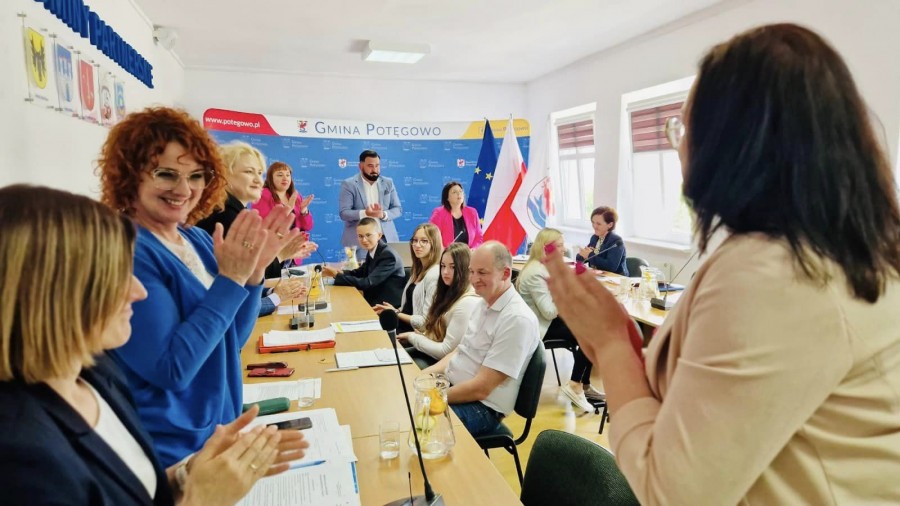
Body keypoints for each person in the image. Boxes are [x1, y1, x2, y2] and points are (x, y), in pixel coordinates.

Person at [543, 24, 900, 504]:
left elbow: (673, 491)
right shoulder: (841, 249)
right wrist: (627, 347)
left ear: (730, 144)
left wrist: (611, 345)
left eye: (683, 128)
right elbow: (714, 403)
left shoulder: (776, 273)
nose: (678, 145)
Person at [0, 185, 308, 505]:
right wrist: (200, 500)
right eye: (113, 276)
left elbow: (136, 490)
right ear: (47, 294)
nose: (139, 292)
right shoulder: (19, 455)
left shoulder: (96, 376)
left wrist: (189, 474)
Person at [97, 106, 301, 466]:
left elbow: (230, 341)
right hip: (172, 453)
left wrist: (254, 275)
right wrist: (232, 279)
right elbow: (171, 369)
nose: (183, 189)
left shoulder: (197, 239)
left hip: (218, 436)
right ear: (130, 174)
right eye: (166, 174)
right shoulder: (128, 250)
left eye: (196, 176)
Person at [422, 241, 540, 437]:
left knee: (418, 424)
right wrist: (422, 376)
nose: (474, 279)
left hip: (483, 407)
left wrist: (432, 396)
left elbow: (482, 389)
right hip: (455, 388)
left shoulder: (517, 319)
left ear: (505, 273)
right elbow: (460, 350)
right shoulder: (482, 303)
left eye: (482, 273)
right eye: (471, 271)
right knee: (405, 400)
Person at [195, 141, 315, 316]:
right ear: (223, 174)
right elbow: (244, 279)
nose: (259, 180)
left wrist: (282, 255)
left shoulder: (231, 210)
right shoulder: (224, 215)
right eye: (249, 172)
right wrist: (281, 255)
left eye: (260, 173)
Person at [517, 228, 602, 413]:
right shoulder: (536, 273)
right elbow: (549, 312)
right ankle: (575, 385)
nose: (564, 249)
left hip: (547, 321)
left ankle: (583, 384)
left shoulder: (545, 266)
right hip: (539, 327)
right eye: (560, 245)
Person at [399, 243, 481, 368]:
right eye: (443, 266)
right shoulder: (448, 292)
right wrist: (422, 336)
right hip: (430, 353)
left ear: (466, 269)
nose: (445, 272)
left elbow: (445, 352)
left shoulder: (467, 303)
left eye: (453, 267)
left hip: (445, 365)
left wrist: (413, 337)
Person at [373, 223, 442, 333]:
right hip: (401, 326)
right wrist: (395, 310)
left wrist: (396, 313)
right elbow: (408, 308)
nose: (417, 245)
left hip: (412, 334)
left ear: (434, 244)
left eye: (424, 241)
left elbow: (425, 322)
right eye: (415, 240)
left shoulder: (434, 275)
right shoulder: (417, 270)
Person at [322, 217, 407, 307]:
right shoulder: (374, 250)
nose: (364, 240)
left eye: (368, 235)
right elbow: (360, 272)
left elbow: (368, 283)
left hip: (386, 306)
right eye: (360, 236)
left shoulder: (388, 255)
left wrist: (336, 275)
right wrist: (340, 272)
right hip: (374, 300)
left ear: (379, 235)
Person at [338, 150, 402, 261]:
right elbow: (344, 213)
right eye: (370, 166)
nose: (375, 170)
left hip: (385, 240)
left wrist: (383, 214)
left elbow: (398, 209)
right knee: (362, 271)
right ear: (360, 166)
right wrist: (365, 213)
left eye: (377, 166)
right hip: (360, 242)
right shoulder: (349, 184)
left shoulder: (388, 182)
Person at [255, 161, 315, 272]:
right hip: (274, 254)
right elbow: (265, 226)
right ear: (270, 178)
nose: (285, 178)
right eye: (280, 175)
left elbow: (308, 226)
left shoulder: (296, 196)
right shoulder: (263, 195)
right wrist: (287, 210)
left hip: (293, 253)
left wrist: (304, 210)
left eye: (288, 175)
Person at [429, 181, 484, 248]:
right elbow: (432, 236)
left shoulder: (472, 212)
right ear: (447, 198)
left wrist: (473, 249)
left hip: (468, 253)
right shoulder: (439, 213)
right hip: (446, 253)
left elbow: (479, 237)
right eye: (454, 192)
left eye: (461, 191)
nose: (459, 194)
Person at [575, 206, 628, 275]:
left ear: (610, 224)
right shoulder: (594, 238)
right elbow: (580, 259)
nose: (594, 226)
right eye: (593, 222)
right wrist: (582, 255)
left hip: (616, 278)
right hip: (598, 276)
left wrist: (589, 255)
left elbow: (611, 267)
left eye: (598, 224)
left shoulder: (616, 241)